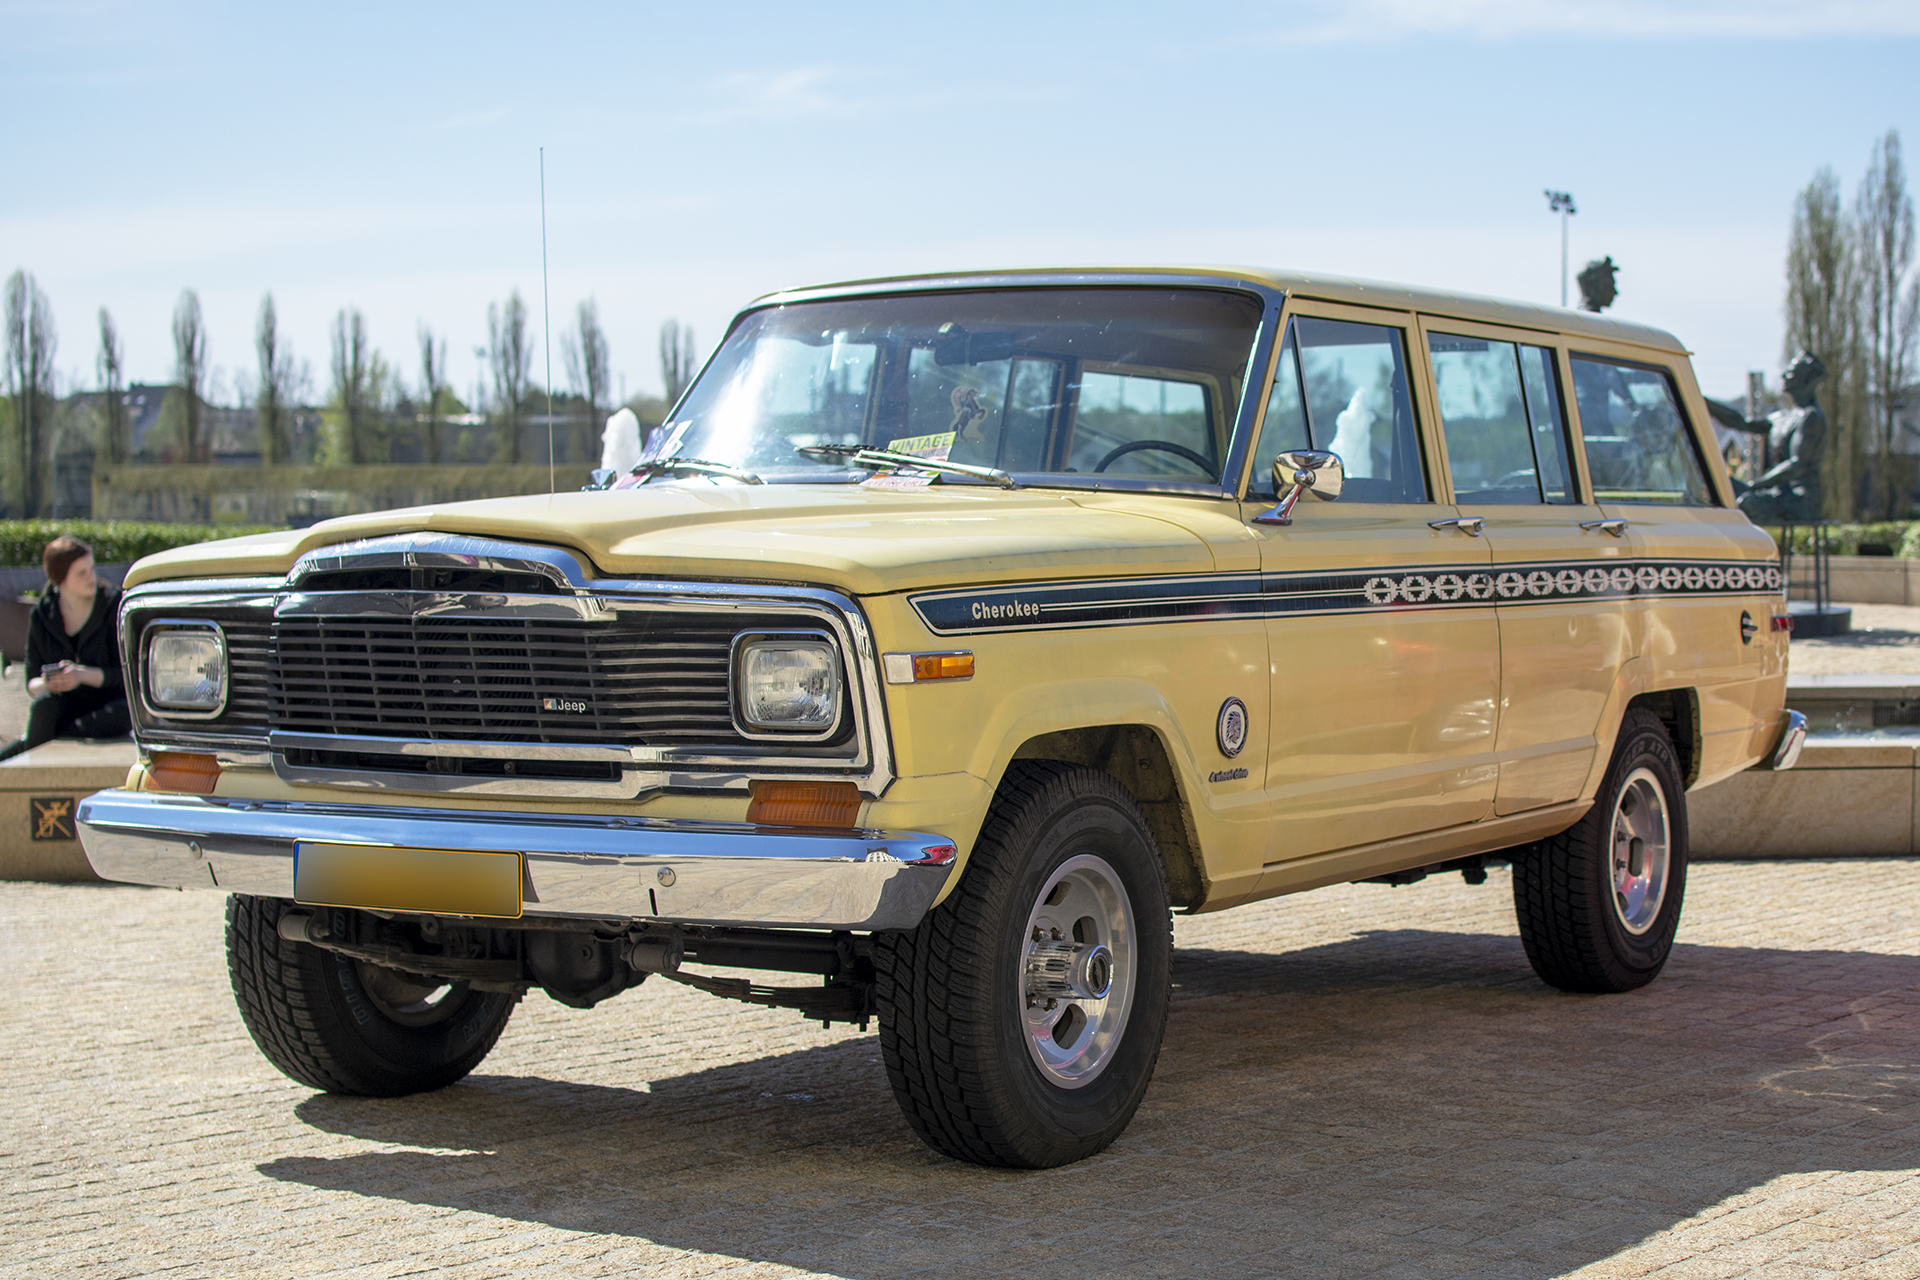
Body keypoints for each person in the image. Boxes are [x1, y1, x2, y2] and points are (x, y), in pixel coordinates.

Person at [0, 535, 130, 762]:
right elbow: (32, 682)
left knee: (123, 714)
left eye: (91, 569)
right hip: (63, 704)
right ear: (60, 579)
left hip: (107, 704)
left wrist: (81, 675)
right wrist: (49, 683)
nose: (92, 577)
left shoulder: (113, 605)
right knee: (43, 705)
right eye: (81, 573)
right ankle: (33, 757)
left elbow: (125, 676)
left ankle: (35, 744)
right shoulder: (42, 614)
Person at [1705, 352, 1828, 525]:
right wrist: (1702, 402)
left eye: (1791, 373)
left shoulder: (1810, 418)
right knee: (1719, 493)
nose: (1784, 376)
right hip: (1779, 493)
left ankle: (1746, 551)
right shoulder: (1781, 416)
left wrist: (1753, 485)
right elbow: (1740, 423)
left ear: (1806, 379)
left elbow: (1796, 465)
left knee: (1745, 505)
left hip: (1799, 498)